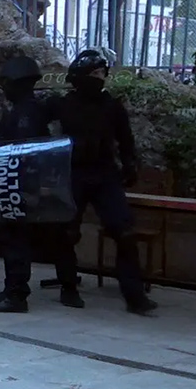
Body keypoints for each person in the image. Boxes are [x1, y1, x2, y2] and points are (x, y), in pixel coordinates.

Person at [53, 49, 158, 315]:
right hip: (74, 173)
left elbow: (126, 140)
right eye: (94, 73)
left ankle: (134, 296)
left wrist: (130, 165)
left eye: (102, 73)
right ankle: (68, 287)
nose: (99, 78)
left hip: (104, 174)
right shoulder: (65, 105)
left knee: (125, 232)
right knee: (67, 232)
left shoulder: (111, 106)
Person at [0, 55, 84, 313]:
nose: (3, 89)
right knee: (41, 239)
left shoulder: (25, 115)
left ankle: (16, 295)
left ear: (16, 83)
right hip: (30, 187)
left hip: (21, 188)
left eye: (6, 83)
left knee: (15, 240)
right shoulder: (28, 110)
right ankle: (22, 289)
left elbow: (19, 151)